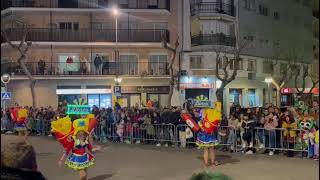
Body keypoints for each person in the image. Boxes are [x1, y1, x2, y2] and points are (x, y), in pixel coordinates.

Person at [51, 115, 101, 180]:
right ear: (76, 133)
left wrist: (97, 149)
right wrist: (61, 160)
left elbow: (91, 149)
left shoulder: (85, 140)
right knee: (83, 175)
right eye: (79, 132)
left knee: (84, 176)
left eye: (83, 133)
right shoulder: (73, 140)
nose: (81, 134)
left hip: (85, 158)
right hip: (77, 159)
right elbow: (67, 151)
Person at [196, 102, 222, 169]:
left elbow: (199, 123)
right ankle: (212, 163)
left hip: (204, 134)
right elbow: (217, 126)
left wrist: (203, 128)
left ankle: (206, 164)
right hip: (211, 135)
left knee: (206, 150)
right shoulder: (216, 115)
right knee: (211, 149)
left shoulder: (204, 114)